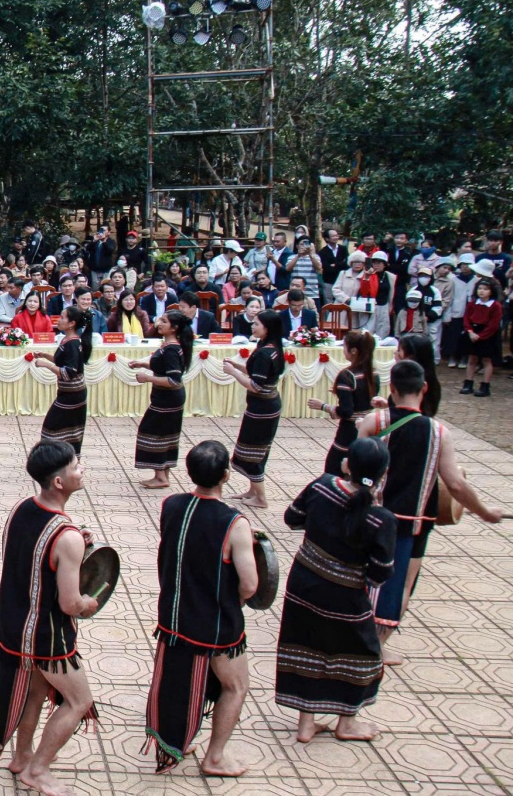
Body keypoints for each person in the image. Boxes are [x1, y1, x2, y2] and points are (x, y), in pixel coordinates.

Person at [0, 440, 98, 792]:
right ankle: (37, 770)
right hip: (46, 635)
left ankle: (23, 756)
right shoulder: (67, 537)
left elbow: (35, 557)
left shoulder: (21, 509)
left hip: (13, 624)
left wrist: (76, 547)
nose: (82, 471)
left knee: (35, 693)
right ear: (59, 482)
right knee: (79, 701)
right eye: (76, 467)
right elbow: (68, 603)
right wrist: (87, 603)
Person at [358, 360, 503, 664]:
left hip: (370, 514)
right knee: (400, 583)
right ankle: (378, 645)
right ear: (423, 389)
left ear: (392, 388)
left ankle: (354, 635)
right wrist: (484, 512)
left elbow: (354, 467)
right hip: (413, 522)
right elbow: (456, 484)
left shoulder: (374, 422)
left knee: (362, 574)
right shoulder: (438, 433)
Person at [144, 440, 256, 775]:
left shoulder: (171, 505)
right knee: (235, 687)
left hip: (174, 616)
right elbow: (250, 585)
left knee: (176, 683)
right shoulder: (234, 523)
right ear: (225, 475)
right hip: (215, 625)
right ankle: (216, 758)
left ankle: (177, 740)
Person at [275, 438, 395, 742]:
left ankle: (306, 722)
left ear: (346, 465)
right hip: (346, 596)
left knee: (305, 644)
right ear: (383, 475)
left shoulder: (323, 486)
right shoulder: (382, 520)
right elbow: (380, 575)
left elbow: (292, 518)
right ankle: (347, 722)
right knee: (364, 654)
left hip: (303, 584)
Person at [223, 309, 286, 509]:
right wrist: (238, 366)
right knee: (254, 448)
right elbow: (257, 374)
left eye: (257, 324)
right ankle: (253, 490)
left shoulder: (266, 353)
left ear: (267, 328)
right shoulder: (270, 347)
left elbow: (256, 385)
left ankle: (261, 497)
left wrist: (233, 372)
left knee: (254, 450)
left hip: (263, 407)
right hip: (266, 404)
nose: (253, 326)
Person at [128, 309, 194, 489]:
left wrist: (148, 377)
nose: (159, 323)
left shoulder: (172, 349)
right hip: (166, 398)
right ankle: (162, 474)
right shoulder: (169, 346)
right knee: (165, 434)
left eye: (164, 321)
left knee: (155, 432)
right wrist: (143, 364)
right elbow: (163, 368)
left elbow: (173, 380)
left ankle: (160, 476)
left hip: (168, 399)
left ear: (174, 328)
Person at [309, 329, 378, 476]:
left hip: (349, 431)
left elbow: (347, 411)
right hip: (368, 428)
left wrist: (323, 406)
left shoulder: (347, 375)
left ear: (353, 351)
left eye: (344, 347)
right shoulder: (374, 373)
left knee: (333, 472)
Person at [34, 306, 92, 452]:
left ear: (72, 323)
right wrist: (45, 355)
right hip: (67, 393)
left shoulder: (73, 343)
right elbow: (63, 362)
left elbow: (68, 373)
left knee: (53, 428)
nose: (58, 320)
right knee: (61, 429)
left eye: (62, 317)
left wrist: (46, 364)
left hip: (73, 395)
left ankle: (62, 460)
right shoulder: (67, 340)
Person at [461, 274, 502, 397]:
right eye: (480, 288)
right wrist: (470, 332)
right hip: (473, 331)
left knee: (486, 360)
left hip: (487, 334)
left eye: (485, 289)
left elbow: (494, 324)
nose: (481, 291)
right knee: (472, 358)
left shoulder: (495, 306)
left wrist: (481, 336)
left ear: (491, 291)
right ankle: (468, 383)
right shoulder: (473, 303)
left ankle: (485, 386)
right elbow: (466, 319)